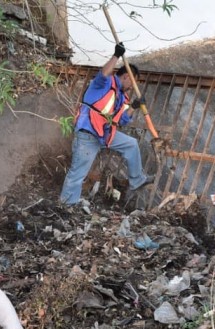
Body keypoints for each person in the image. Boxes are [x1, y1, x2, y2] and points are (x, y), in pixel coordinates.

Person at [59, 42, 154, 206]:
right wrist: (116, 55)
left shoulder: (122, 97)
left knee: (131, 144)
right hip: (88, 133)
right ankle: (66, 204)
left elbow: (122, 120)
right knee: (78, 173)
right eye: (133, 82)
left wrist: (134, 107)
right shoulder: (105, 83)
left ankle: (137, 180)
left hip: (104, 135)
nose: (133, 87)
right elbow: (102, 74)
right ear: (125, 77)